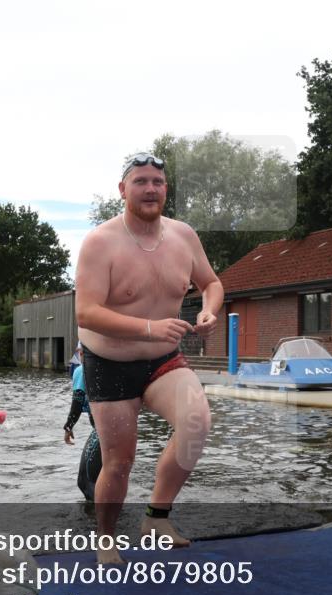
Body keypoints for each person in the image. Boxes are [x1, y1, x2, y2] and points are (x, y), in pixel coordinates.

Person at [75, 152, 223, 563]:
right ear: (123, 190)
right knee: (119, 461)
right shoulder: (100, 242)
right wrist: (147, 327)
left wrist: (211, 309)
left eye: (158, 182)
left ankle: (157, 516)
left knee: (197, 423)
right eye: (140, 181)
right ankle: (105, 537)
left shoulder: (183, 236)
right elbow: (86, 312)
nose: (150, 189)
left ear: (166, 190)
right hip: (109, 364)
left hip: (163, 360)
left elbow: (211, 282)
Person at [65, 344, 99, 502]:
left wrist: (68, 427)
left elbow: (78, 400)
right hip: (124, 431)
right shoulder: (111, 369)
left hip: (103, 431)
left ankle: (103, 521)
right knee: (107, 478)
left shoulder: (83, 370)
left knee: (85, 482)